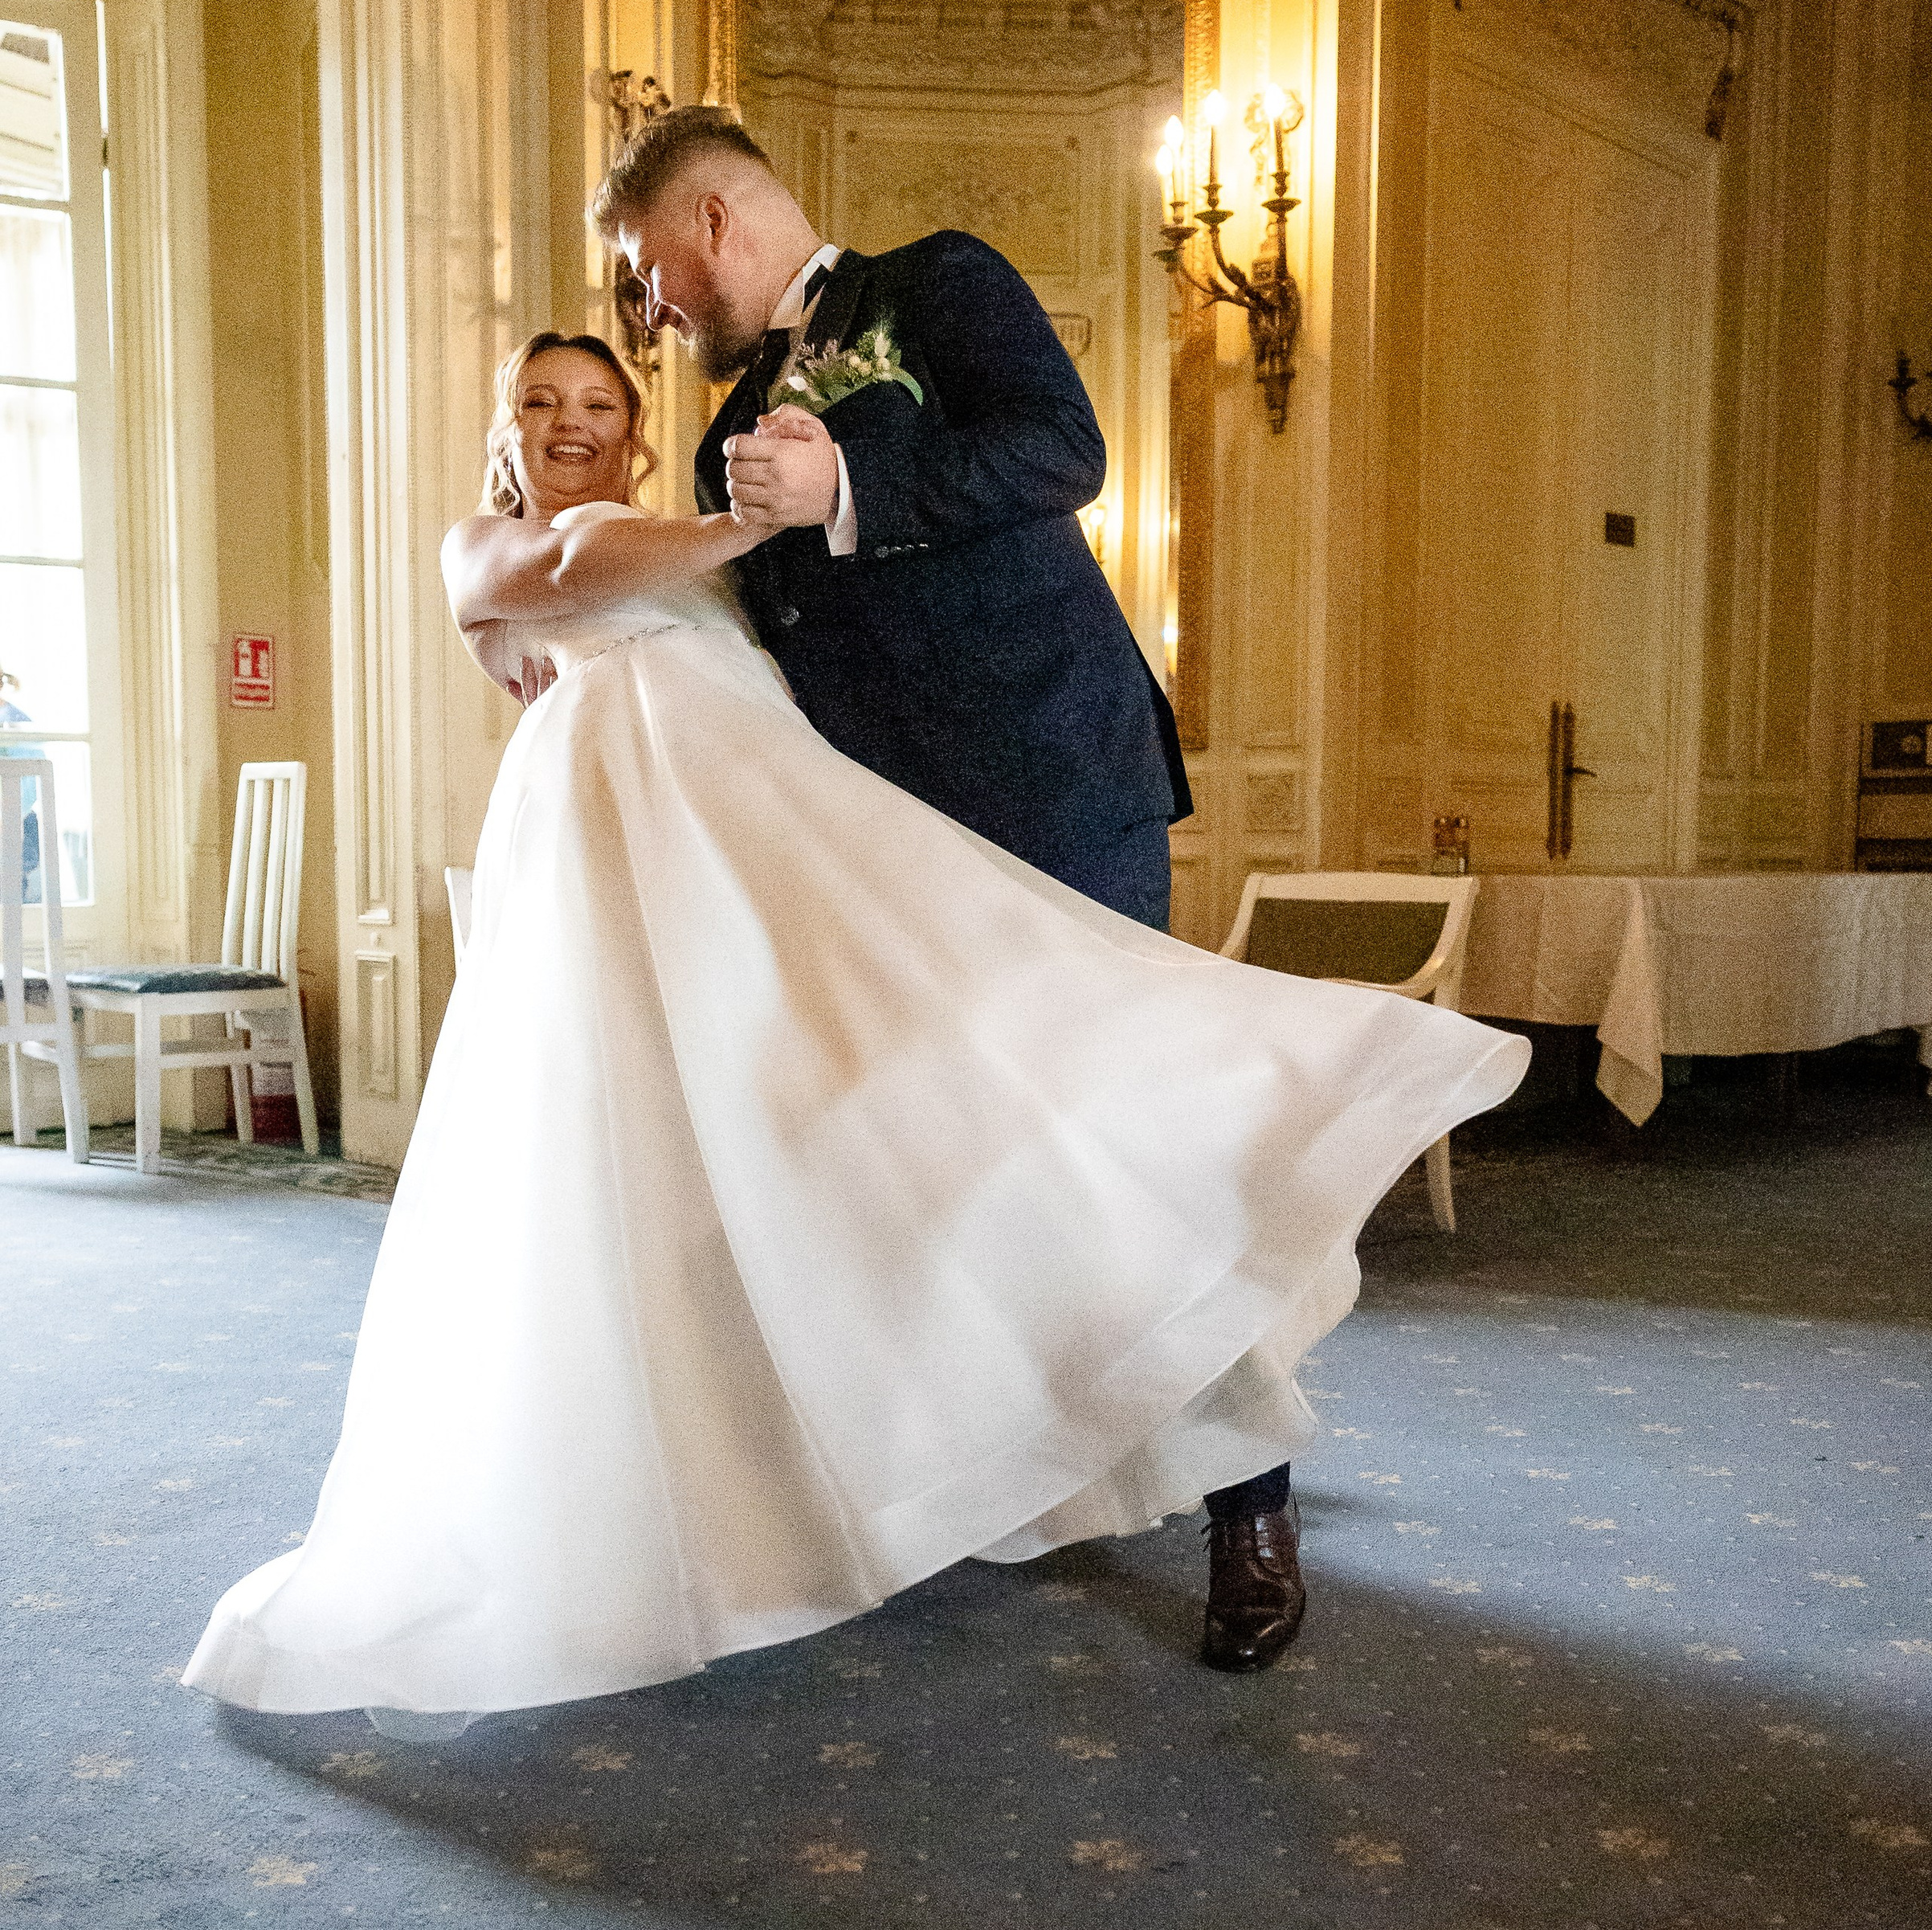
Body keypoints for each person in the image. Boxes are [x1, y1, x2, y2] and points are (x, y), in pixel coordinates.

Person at [182, 332, 1525, 1725]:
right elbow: (569, 576)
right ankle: (708, 1511)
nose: (569, 423)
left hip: (797, 859)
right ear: (503, 427)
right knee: (657, 1190)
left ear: (636, 434)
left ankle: (1119, 1423)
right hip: (639, 876)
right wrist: (743, 515)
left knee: (966, 1112)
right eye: (540, 401)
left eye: (598, 405)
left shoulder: (700, 547)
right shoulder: (493, 545)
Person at [589, 111, 1301, 1669]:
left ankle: (1248, 1498)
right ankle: (1003, 1474)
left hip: (1061, 786)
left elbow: (1066, 452)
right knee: (936, 1165)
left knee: (1133, 1157)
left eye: (645, 272)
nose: (648, 312)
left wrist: (846, 473)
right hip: (902, 860)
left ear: (709, 223)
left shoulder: (939, 286)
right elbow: (772, 662)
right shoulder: (723, 442)